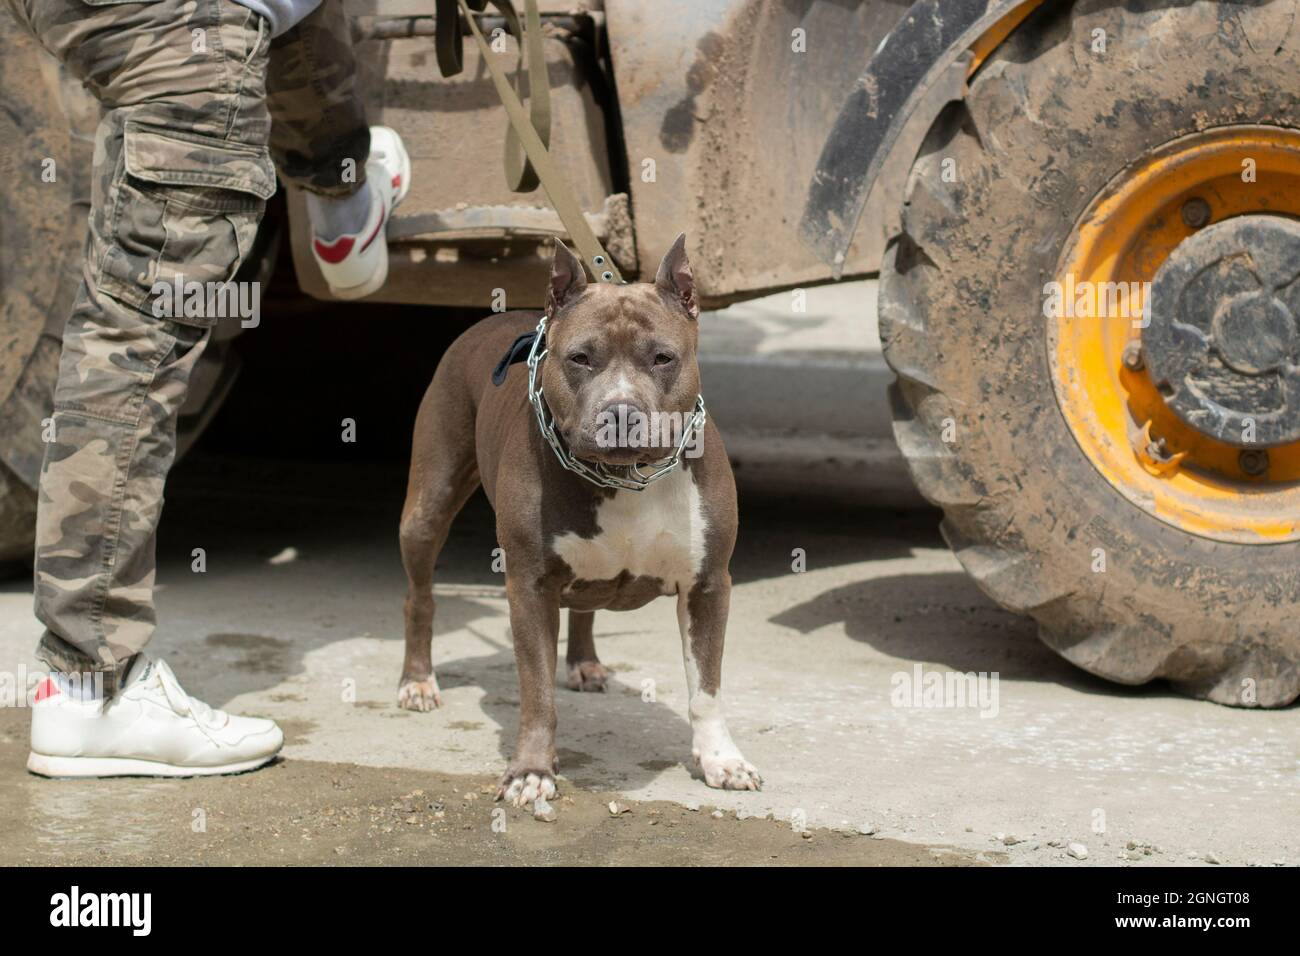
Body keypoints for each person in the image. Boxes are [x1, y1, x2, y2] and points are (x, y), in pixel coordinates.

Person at [6, 0, 410, 776]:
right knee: (135, 341)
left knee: (125, 316)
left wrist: (337, 167)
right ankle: (93, 689)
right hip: (183, 23)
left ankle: (342, 200)